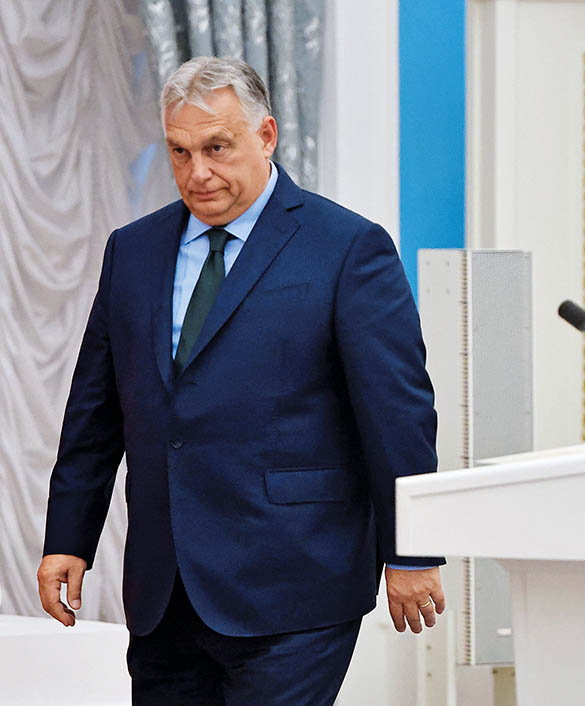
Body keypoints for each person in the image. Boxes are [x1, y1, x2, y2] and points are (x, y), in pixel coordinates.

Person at [36, 56, 444, 705]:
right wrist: (68, 537)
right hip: (165, 593)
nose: (197, 172)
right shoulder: (132, 251)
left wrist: (413, 550)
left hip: (297, 587)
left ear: (266, 135)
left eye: (217, 148)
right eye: (180, 152)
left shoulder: (347, 247)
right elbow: (97, 410)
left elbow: (397, 413)